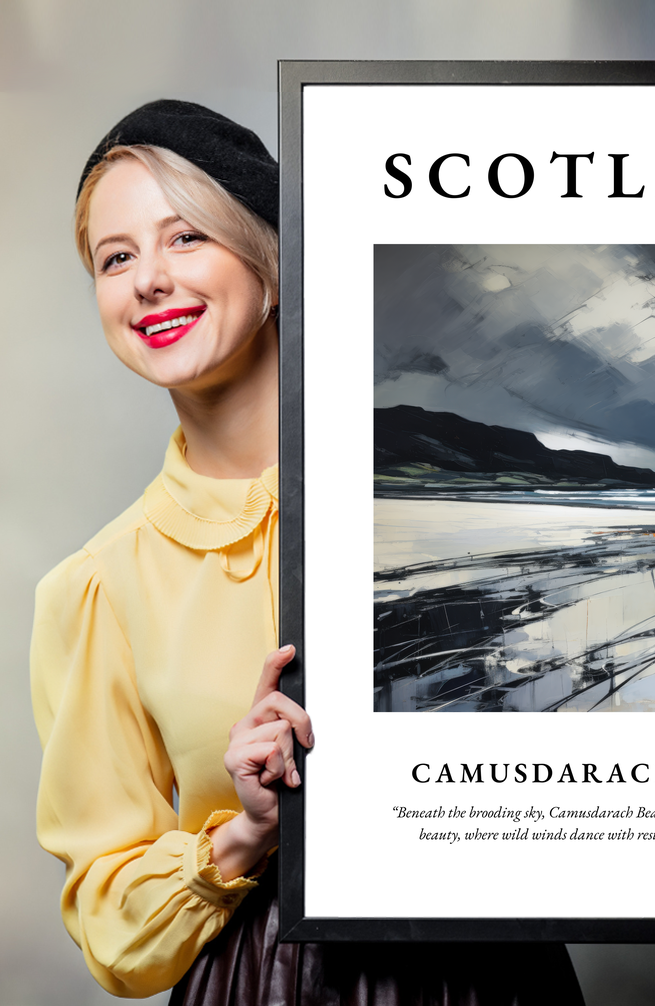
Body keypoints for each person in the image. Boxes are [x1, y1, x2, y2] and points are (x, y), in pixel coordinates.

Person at [30, 100, 585, 1004]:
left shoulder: (451, 509)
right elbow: (110, 924)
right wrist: (245, 832)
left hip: (492, 973)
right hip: (264, 981)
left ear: (274, 264)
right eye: (116, 257)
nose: (148, 281)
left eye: (186, 239)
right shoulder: (97, 587)